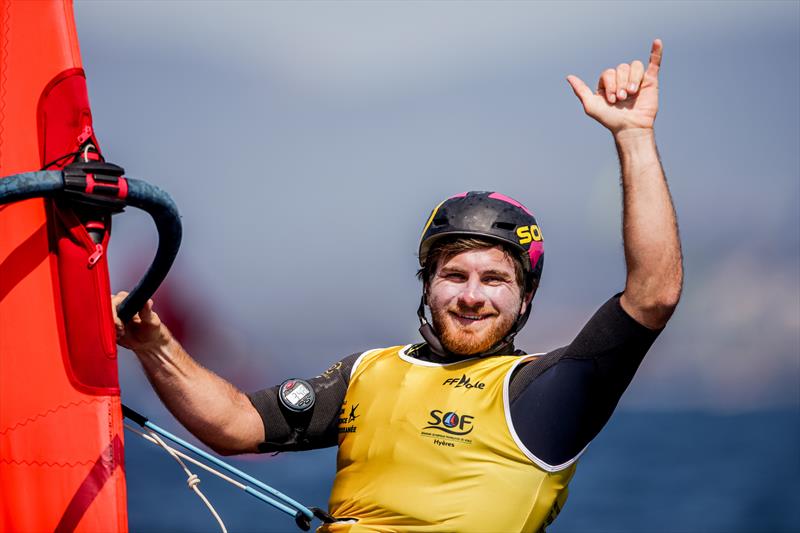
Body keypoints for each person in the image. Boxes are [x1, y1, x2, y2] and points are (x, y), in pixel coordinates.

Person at [114, 39, 682, 532]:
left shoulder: (545, 394)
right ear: (428, 287)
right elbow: (235, 425)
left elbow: (653, 294)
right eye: (453, 275)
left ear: (525, 298)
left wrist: (633, 136)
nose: (470, 295)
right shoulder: (368, 373)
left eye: (494, 280)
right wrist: (154, 345)